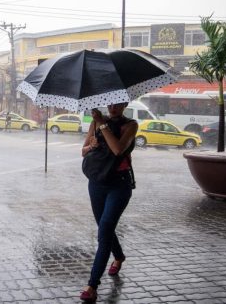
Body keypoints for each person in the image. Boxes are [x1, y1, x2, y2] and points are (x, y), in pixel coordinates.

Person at [80, 102, 138, 302]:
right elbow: (83, 150)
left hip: (119, 185)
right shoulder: (96, 124)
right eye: (110, 104)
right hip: (96, 182)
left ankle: (92, 285)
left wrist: (101, 124)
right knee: (105, 228)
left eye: (118, 104)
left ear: (125, 104)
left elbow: (117, 149)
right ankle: (119, 256)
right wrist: (91, 146)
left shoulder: (130, 125)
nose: (113, 107)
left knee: (104, 230)